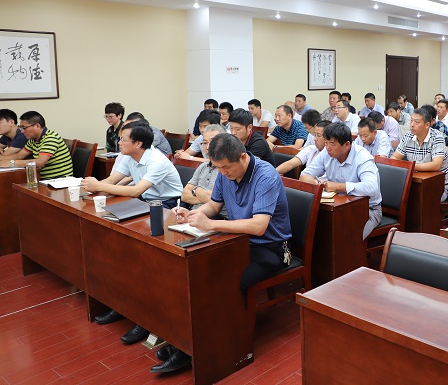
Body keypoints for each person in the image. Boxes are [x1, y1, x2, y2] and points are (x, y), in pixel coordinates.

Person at [164, 133, 293, 374]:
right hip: (237, 242)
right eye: (218, 168)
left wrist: (211, 224)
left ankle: (230, 344)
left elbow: (259, 226)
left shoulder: (265, 175)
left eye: (226, 168)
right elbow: (214, 205)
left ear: (243, 157)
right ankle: (189, 342)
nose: (223, 173)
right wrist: (194, 215)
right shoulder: (225, 173)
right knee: (201, 272)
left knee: (227, 281)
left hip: (271, 247)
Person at [81, 121, 183, 347]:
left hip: (167, 207)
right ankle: (123, 305)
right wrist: (90, 186)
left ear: (138, 143)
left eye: (123, 139)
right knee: (117, 246)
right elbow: (111, 181)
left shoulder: (156, 160)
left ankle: (144, 316)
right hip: (145, 203)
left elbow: (136, 190)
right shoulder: (129, 156)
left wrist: (100, 186)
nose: (119, 143)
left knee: (140, 254)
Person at [300, 122, 382, 239]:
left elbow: (371, 187)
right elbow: (305, 175)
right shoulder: (326, 153)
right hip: (336, 206)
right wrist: (316, 184)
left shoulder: (363, 157)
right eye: (326, 142)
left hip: (368, 209)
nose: (327, 147)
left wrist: (338, 186)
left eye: (332, 144)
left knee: (346, 235)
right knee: (314, 227)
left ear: (347, 144)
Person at [392, 108, 448, 202]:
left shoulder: (437, 137)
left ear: (427, 125)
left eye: (416, 122)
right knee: (394, 195)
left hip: (437, 186)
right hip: (413, 182)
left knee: (413, 200)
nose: (412, 125)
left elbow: (436, 165)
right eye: (411, 121)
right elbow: (395, 157)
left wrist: (411, 167)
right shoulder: (408, 136)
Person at [0, 110, 73, 178]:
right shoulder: (32, 139)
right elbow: (19, 156)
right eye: (21, 128)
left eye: (24, 128)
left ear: (37, 126)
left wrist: (11, 163)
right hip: (41, 178)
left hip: (58, 181)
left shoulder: (51, 138)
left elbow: (40, 162)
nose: (22, 131)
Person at [178, 124, 227, 218]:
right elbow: (184, 195)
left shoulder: (226, 169)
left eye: (212, 142)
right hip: (193, 213)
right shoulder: (203, 166)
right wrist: (202, 194)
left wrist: (196, 191)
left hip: (217, 218)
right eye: (204, 143)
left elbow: (218, 202)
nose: (208, 147)